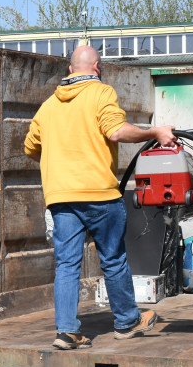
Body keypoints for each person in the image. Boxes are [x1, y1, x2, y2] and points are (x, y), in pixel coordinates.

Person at [23, 46, 177, 350]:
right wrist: (155, 133)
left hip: (61, 197)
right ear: (97, 67)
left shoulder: (48, 106)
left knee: (67, 265)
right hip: (98, 194)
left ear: (70, 69)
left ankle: (66, 332)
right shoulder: (101, 93)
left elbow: (30, 147)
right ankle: (127, 322)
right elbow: (117, 132)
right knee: (113, 258)